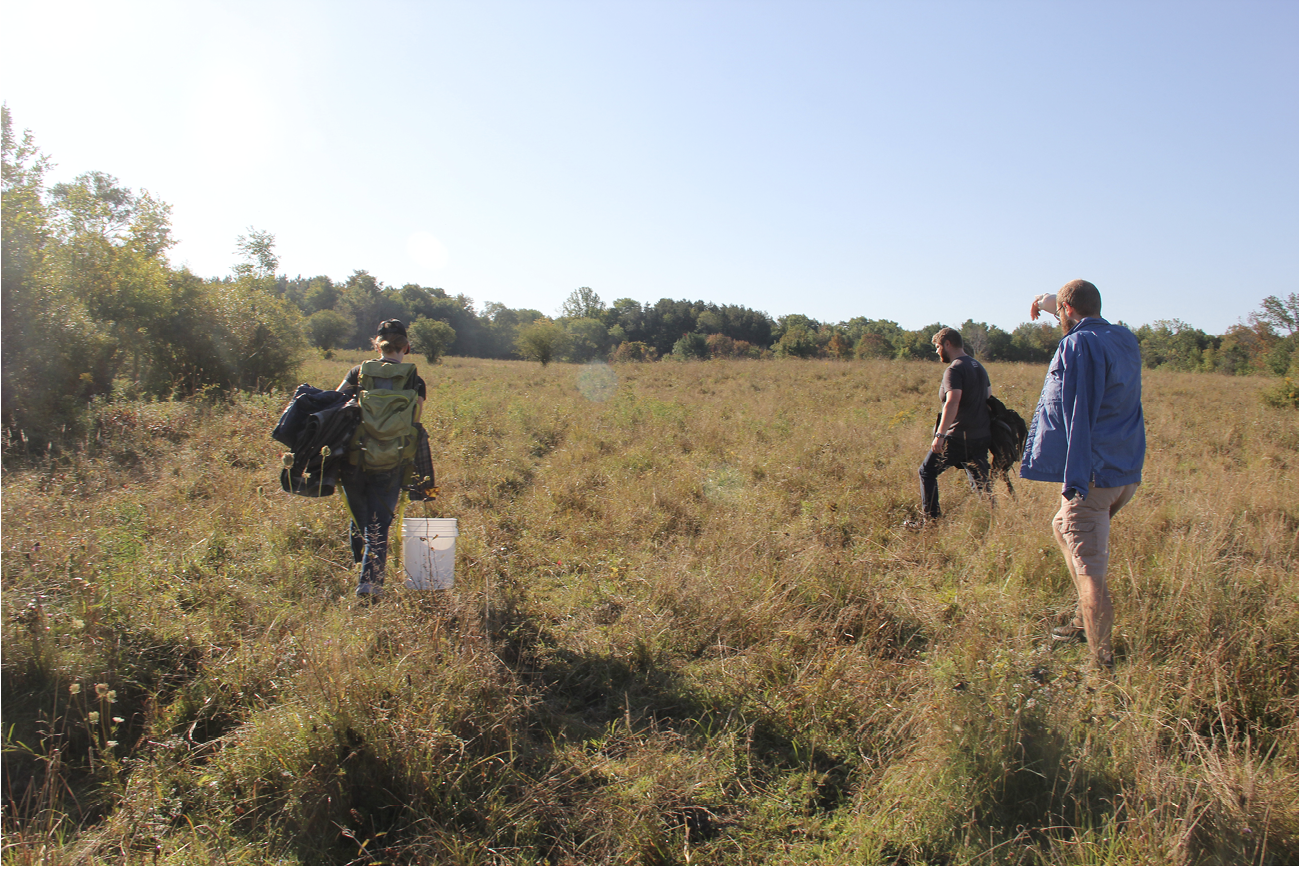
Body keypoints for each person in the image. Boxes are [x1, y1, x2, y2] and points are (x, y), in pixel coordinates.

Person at [1021, 280, 1145, 670]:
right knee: (1062, 527)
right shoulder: (1123, 339)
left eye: (1060, 312)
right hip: (1124, 473)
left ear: (1068, 313)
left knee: (1091, 572)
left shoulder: (1076, 345)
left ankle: (1101, 665)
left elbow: (1076, 413)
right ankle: (1080, 622)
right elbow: (1078, 308)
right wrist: (1049, 303)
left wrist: (1074, 481)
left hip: (1092, 477)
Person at [337, 319, 427, 601]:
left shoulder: (357, 373)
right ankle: (370, 585)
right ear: (407, 347)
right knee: (379, 524)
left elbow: (336, 407)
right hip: (392, 461)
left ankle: (358, 567)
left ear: (377, 345)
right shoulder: (415, 379)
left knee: (359, 517)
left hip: (354, 458)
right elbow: (414, 420)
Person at [915, 327, 993, 522]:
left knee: (927, 472)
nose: (937, 351)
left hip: (958, 437)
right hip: (980, 436)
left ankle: (931, 522)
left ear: (947, 344)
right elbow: (989, 397)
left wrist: (940, 435)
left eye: (937, 347)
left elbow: (952, 401)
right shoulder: (978, 366)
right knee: (982, 482)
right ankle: (993, 522)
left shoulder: (955, 368)